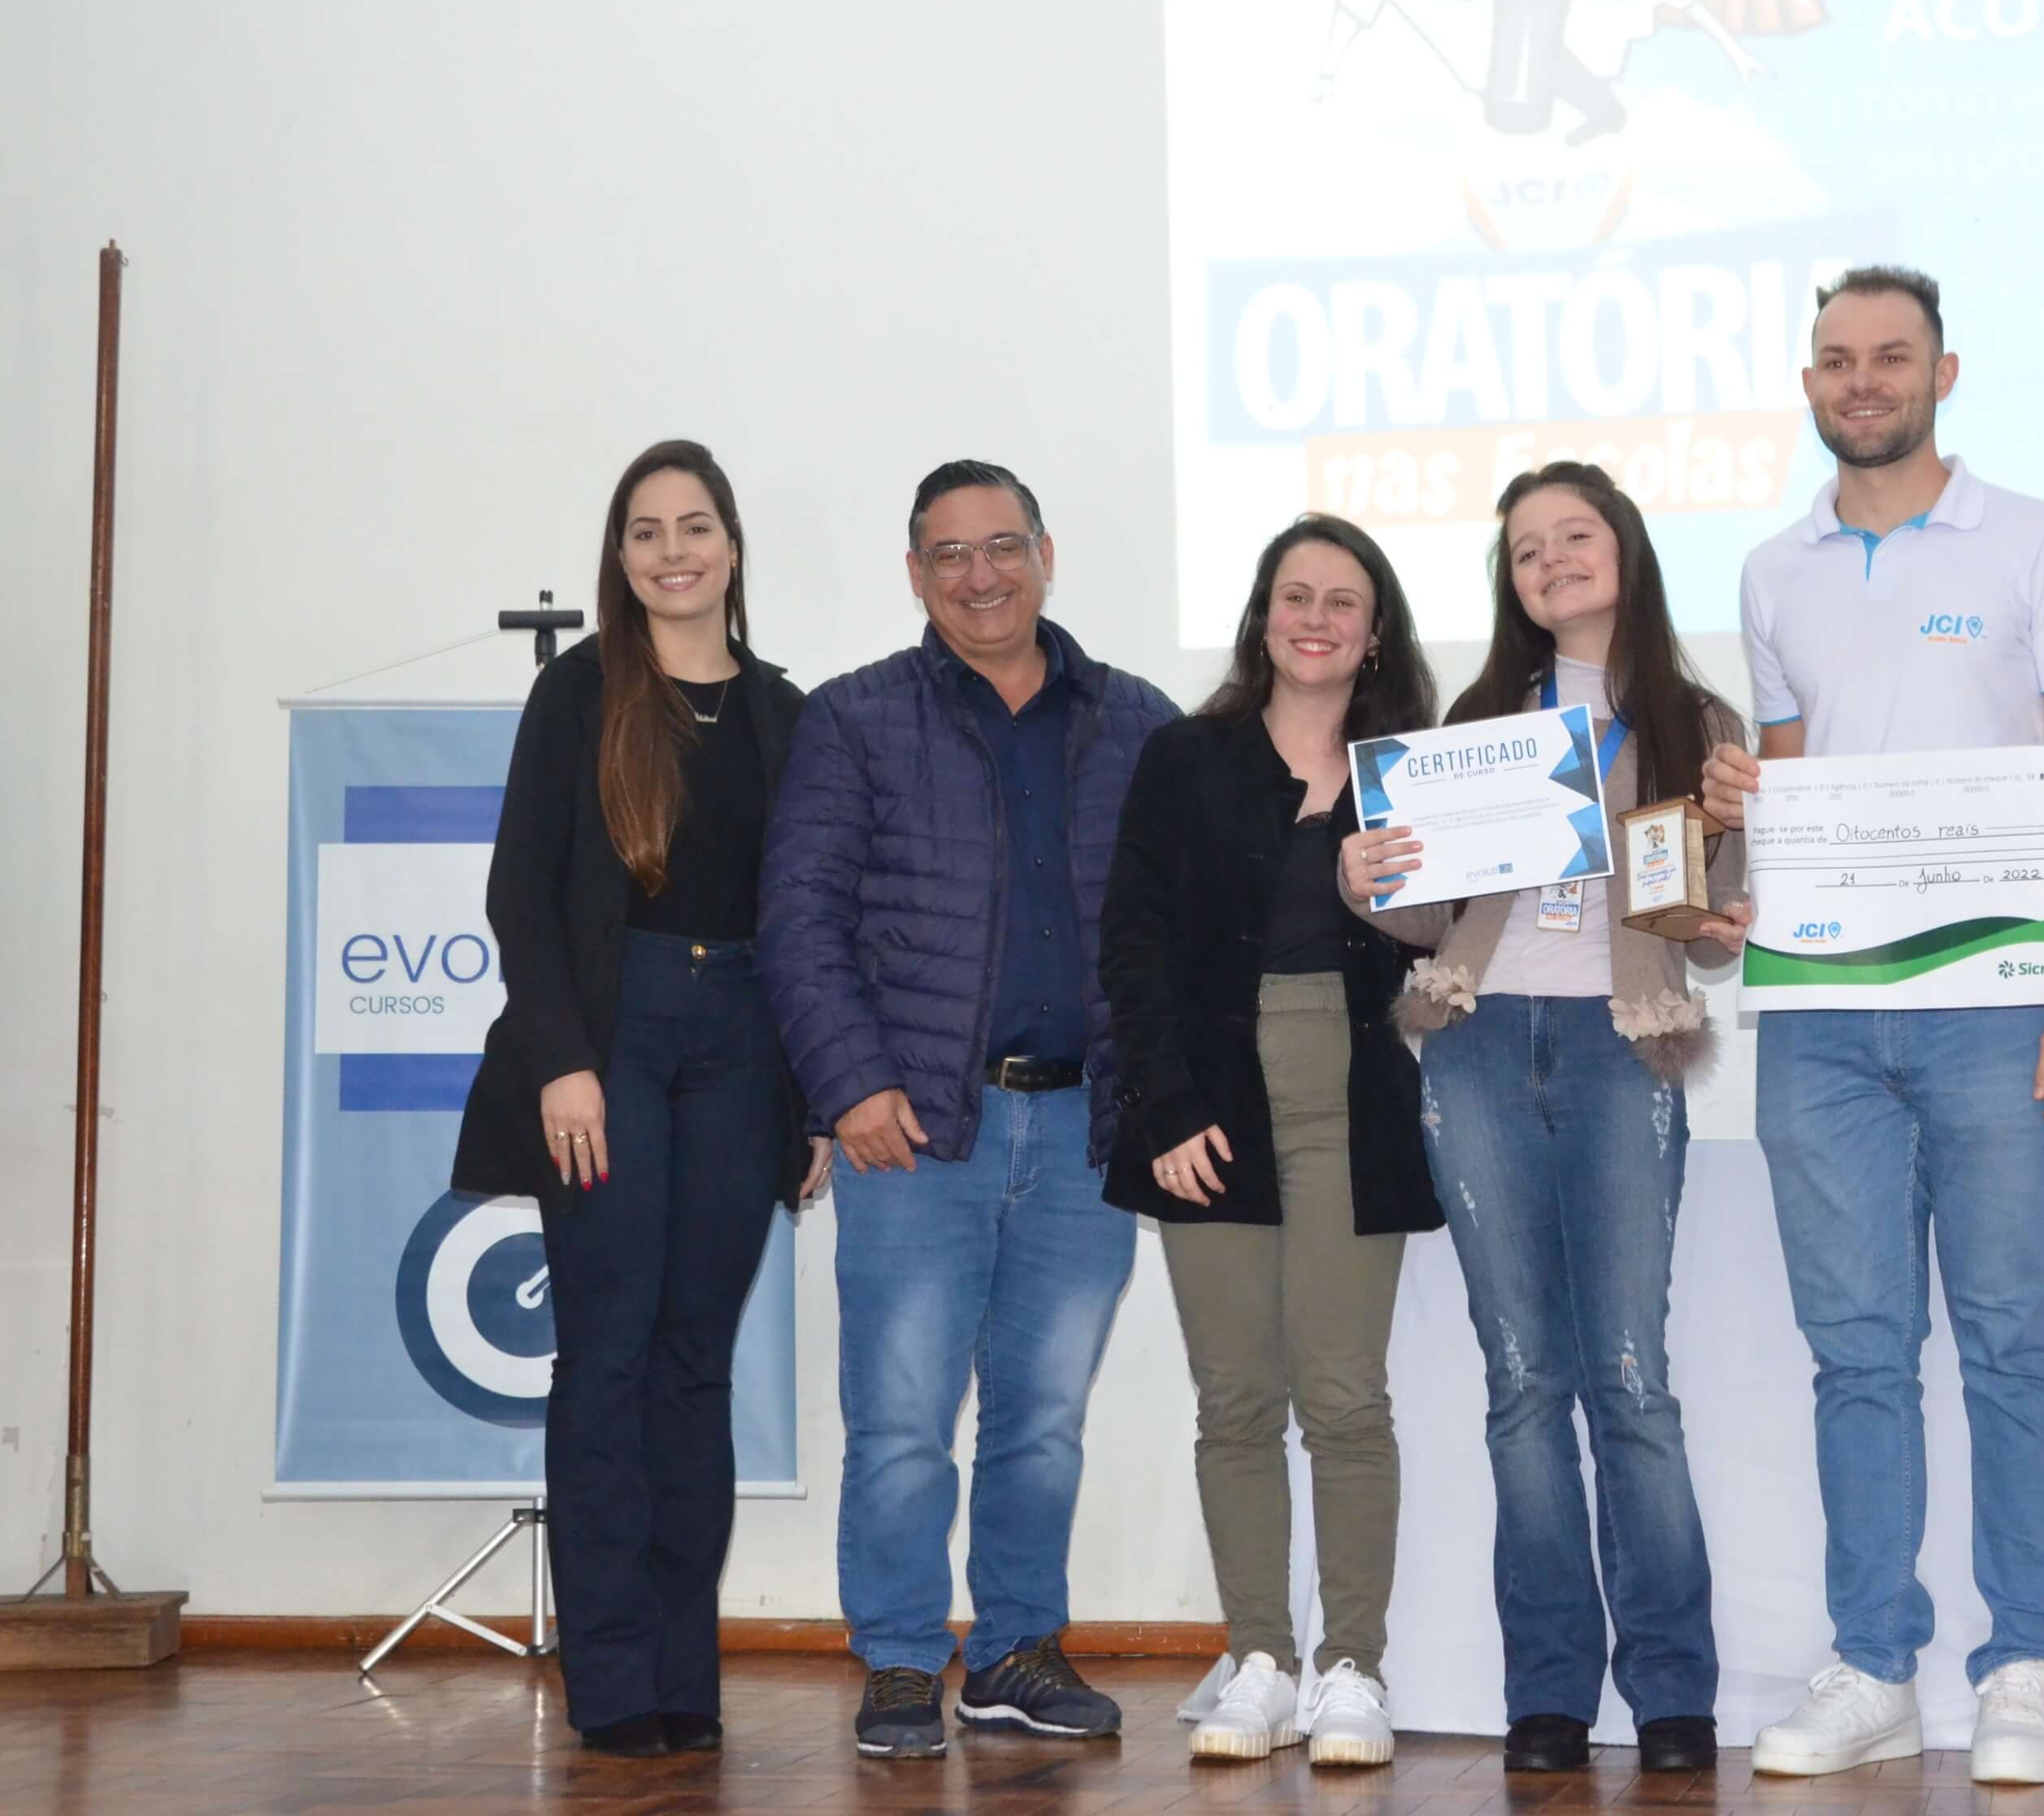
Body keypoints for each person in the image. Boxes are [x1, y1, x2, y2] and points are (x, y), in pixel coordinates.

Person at [1701, 267, 2044, 1785]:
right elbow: (1795, 796)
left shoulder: (2036, 540)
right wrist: (1739, 810)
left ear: (1946, 372)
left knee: (2015, 1340)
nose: (1862, 380)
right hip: (1824, 1023)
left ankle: (2024, 1660)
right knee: (1857, 1352)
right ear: (1810, 382)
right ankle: (1872, 1661)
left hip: (2002, 1006)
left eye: (1891, 357)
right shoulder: (1772, 574)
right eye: (1835, 359)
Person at [756, 460, 1179, 1761]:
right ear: (915, 574)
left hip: (1079, 1135)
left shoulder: (1138, 721)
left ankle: (1011, 1654)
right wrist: (851, 1086)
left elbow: (1166, 932)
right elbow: (800, 919)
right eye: (950, 555)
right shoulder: (855, 719)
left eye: (1003, 547)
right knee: (899, 1422)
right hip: (917, 1131)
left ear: (1046, 554)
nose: (981, 575)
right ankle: (896, 1660)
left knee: (1042, 1423)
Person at [1343, 461, 1751, 1778]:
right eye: (1529, 550)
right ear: (1509, 582)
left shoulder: (1696, 718)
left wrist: (1735, 869)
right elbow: (1419, 917)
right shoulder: (1472, 719)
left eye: (1578, 537)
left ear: (1627, 551)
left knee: (1632, 1380)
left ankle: (1675, 1691)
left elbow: (1709, 930)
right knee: (1524, 1386)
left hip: (1621, 1048)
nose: (1556, 562)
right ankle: (1550, 1697)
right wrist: (1363, 875)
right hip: (1472, 1047)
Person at [453, 439, 817, 1758]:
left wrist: (818, 1101)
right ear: (620, 558)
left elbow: (816, 921)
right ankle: (611, 1682)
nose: (675, 551)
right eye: (647, 531)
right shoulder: (579, 694)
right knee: (605, 1359)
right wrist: (563, 1059)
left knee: (691, 1366)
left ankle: (683, 1673)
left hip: (743, 1048)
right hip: (612, 1042)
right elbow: (521, 892)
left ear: (731, 545)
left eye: (696, 525)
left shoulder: (788, 712)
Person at [1099, 516, 1442, 1769]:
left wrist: (1395, 895)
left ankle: (1353, 1666)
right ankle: (1258, 1660)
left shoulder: (1416, 770)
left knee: (1345, 1397)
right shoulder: (1187, 756)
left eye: (1341, 601)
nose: (1315, 618)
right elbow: (1132, 943)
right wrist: (1166, 1107)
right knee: (1235, 1399)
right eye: (1293, 595)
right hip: (1208, 1100)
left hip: (1353, 1089)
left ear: (1375, 628)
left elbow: (1457, 941)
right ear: (1261, 615)